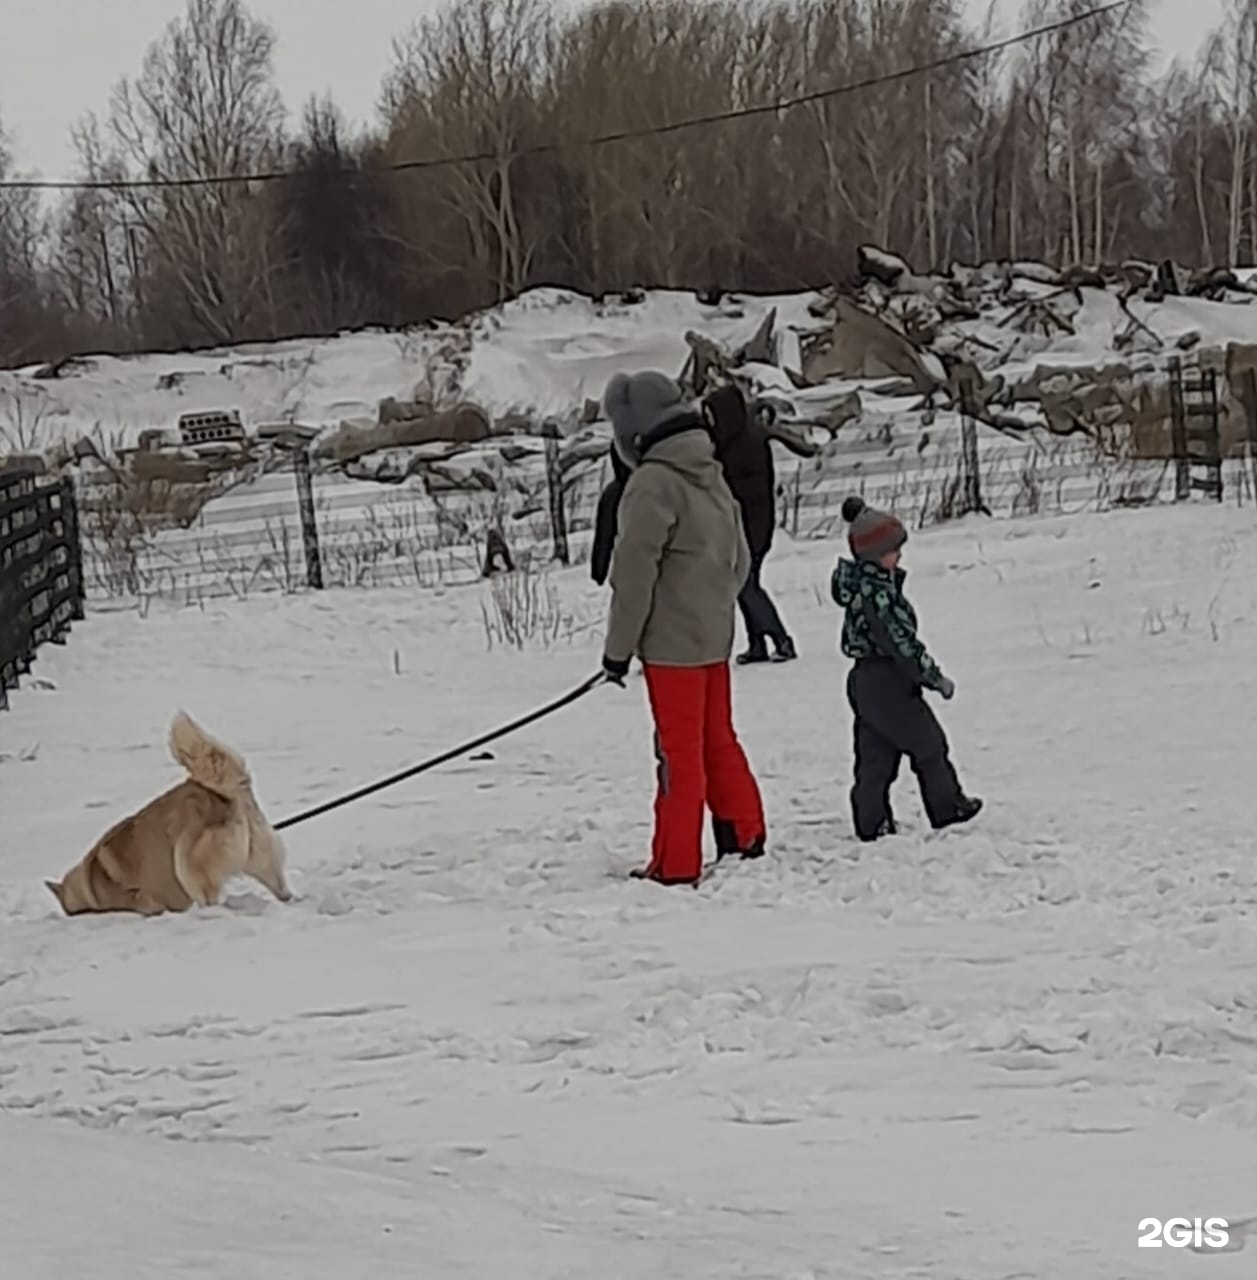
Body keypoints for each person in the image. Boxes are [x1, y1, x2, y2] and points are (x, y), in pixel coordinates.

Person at [600, 370, 767, 885]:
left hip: (673, 648)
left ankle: (674, 863)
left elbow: (633, 576)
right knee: (718, 737)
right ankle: (745, 832)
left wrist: (617, 652)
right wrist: (715, 607)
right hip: (714, 636)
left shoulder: (652, 482)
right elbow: (739, 558)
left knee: (679, 752)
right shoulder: (708, 468)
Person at [831, 495, 982, 842]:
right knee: (928, 745)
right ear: (873, 554)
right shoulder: (877, 594)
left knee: (876, 756)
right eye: (893, 550)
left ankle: (872, 821)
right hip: (887, 680)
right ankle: (947, 807)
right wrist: (932, 677)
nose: (899, 556)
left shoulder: (862, 587)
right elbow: (901, 644)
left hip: (864, 680)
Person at [703, 384, 798, 664]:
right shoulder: (729, 442)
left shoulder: (746, 444)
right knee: (743, 584)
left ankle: (781, 639)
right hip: (741, 526)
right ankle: (757, 643)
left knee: (747, 584)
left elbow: (748, 488)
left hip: (752, 527)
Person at [589, 442, 632, 586]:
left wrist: (599, 570)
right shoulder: (648, 487)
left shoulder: (611, 494)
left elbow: (603, 536)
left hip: (625, 562)